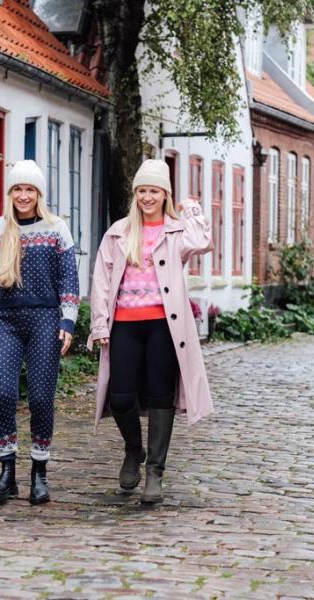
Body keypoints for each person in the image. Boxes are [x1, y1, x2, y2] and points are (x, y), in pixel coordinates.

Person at [88, 159, 214, 504]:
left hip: (165, 327)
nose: (147, 197)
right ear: (135, 194)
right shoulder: (118, 232)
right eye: (142, 191)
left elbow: (202, 241)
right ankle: (133, 450)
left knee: (161, 396)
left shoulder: (176, 231)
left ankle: (155, 473)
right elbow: (100, 280)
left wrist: (191, 209)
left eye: (154, 191)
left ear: (165, 195)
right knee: (121, 396)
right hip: (125, 325)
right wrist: (100, 323)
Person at [0, 159, 80, 505]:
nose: (23, 196)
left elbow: (68, 279)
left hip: (45, 322)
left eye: (29, 190)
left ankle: (39, 473)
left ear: (39, 194)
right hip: (8, 322)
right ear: (10, 194)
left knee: (39, 398)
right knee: (3, 393)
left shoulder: (55, 229)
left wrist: (67, 321)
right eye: (17, 189)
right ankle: (7, 473)